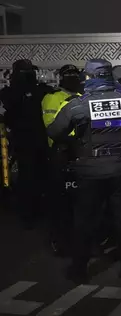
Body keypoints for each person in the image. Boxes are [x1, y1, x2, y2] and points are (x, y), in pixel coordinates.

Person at [47, 59, 121, 283]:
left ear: (88, 77)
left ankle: (79, 269)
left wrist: (74, 142)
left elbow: (55, 132)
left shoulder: (77, 106)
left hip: (89, 170)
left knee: (84, 220)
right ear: (109, 76)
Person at [0, 59, 54, 228]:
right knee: (35, 176)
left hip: (27, 141)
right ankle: (34, 212)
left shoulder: (11, 92)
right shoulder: (39, 90)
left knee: (30, 176)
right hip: (36, 141)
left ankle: (31, 213)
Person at [42, 64, 83, 255]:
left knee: (82, 200)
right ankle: (59, 240)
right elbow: (52, 127)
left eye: (75, 75)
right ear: (61, 78)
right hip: (60, 152)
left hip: (81, 152)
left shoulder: (83, 96)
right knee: (60, 200)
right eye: (69, 75)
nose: (73, 78)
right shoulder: (52, 98)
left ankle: (81, 239)